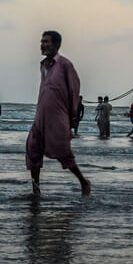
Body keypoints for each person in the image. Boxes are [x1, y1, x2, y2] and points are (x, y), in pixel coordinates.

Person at [26, 30, 91, 196]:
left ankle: (83, 181)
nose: (43, 44)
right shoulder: (43, 66)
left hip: (58, 118)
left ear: (56, 45)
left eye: (46, 42)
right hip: (40, 117)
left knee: (63, 152)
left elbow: (74, 91)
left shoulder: (65, 65)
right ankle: (36, 190)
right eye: (42, 42)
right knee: (33, 149)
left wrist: (72, 118)